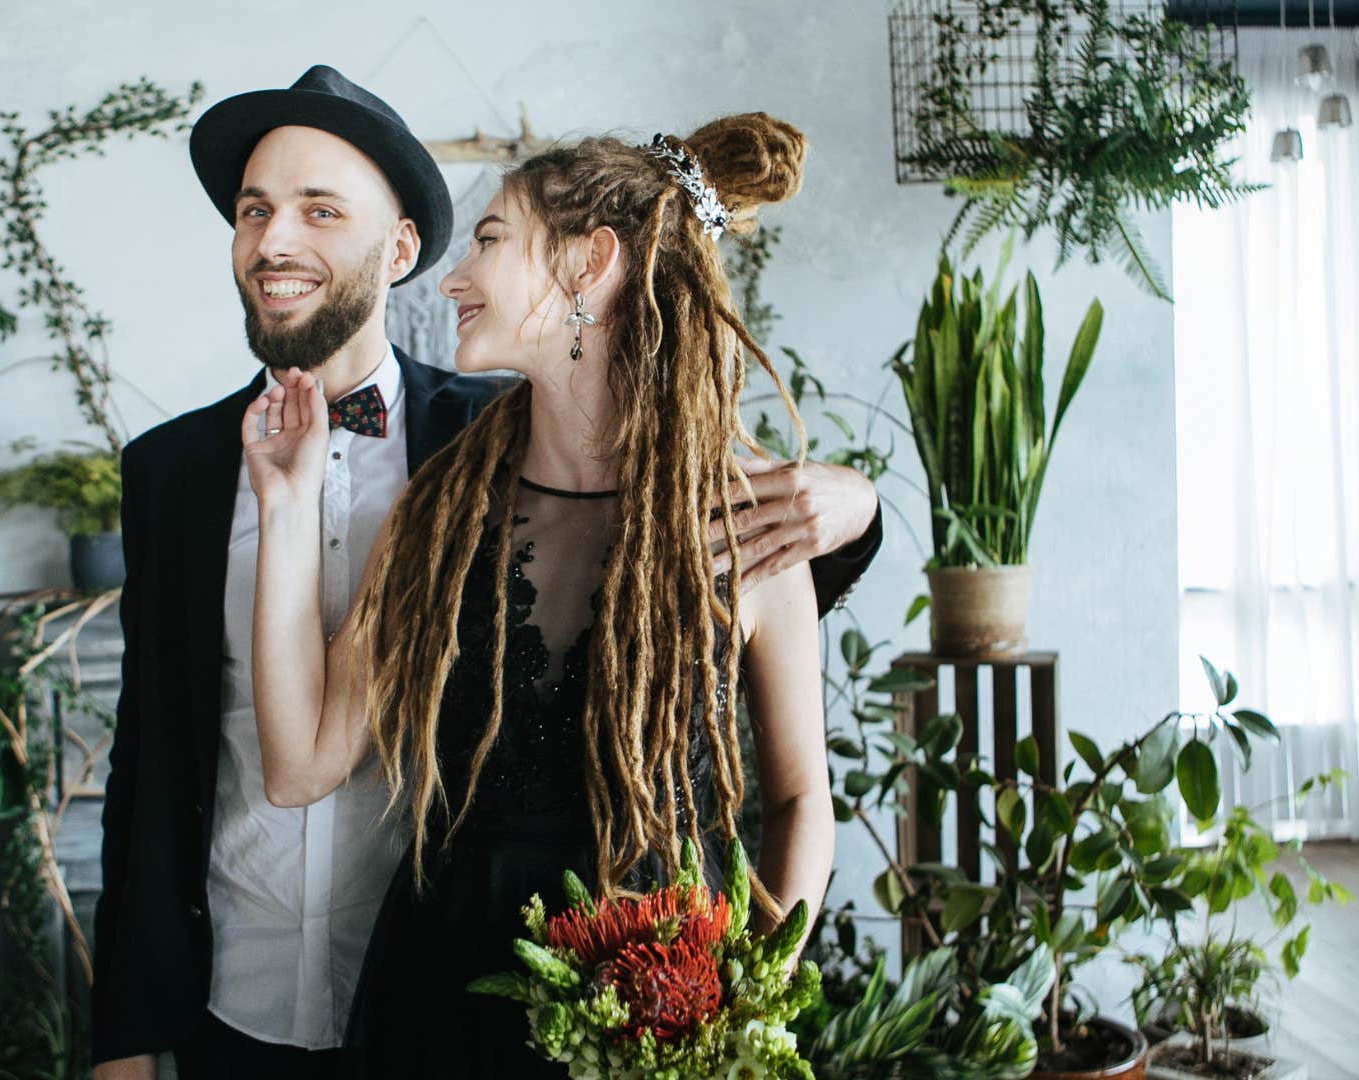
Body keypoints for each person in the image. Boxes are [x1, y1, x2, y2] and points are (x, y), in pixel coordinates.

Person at [92, 66, 877, 1080]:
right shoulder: (444, 500)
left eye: (491, 240)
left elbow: (799, 791)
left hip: (659, 991)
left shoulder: (732, 510)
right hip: (420, 992)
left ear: (591, 266)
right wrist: (285, 508)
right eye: (255, 211)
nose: (456, 279)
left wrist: (747, 989)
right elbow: (266, 763)